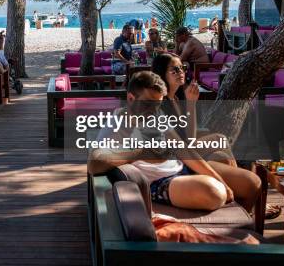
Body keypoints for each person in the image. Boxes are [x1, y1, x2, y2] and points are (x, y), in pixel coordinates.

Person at [87, 71, 261, 212]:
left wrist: (219, 178)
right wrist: (140, 151)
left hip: (181, 168)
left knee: (252, 183)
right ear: (131, 98)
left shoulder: (156, 114)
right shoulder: (117, 125)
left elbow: (182, 149)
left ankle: (240, 225)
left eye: (158, 105)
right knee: (215, 192)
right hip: (159, 183)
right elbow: (94, 163)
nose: (153, 111)